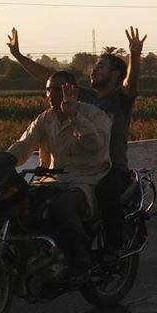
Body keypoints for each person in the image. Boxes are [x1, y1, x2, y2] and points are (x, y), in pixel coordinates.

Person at [8, 27, 145, 254]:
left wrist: (135, 55)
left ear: (115, 75)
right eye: (94, 66)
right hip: (79, 167)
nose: (94, 69)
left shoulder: (120, 98)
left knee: (105, 193)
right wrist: (18, 55)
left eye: (101, 66)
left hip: (111, 167)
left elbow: (131, 82)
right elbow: (50, 77)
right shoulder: (81, 97)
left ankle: (113, 247)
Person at [7, 72, 112, 279]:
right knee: (18, 203)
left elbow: (95, 145)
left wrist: (74, 116)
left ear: (72, 90)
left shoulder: (95, 115)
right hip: (52, 180)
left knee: (63, 206)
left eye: (56, 89)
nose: (50, 94)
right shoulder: (45, 118)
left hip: (86, 180)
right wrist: (2, 161)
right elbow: (23, 145)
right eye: (48, 89)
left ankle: (81, 256)